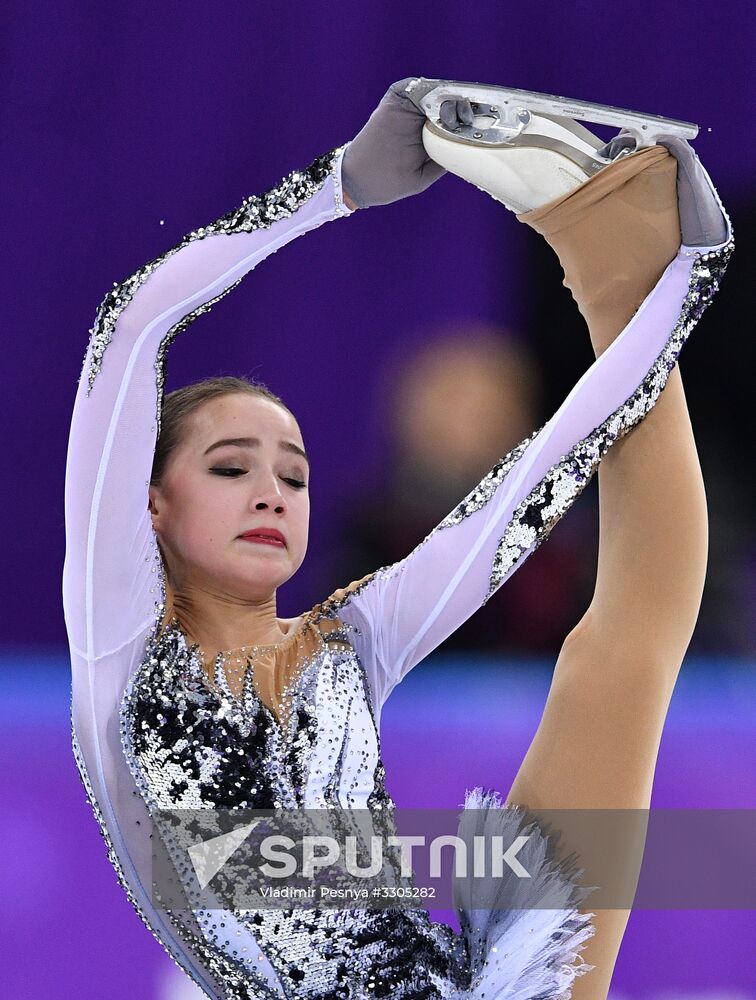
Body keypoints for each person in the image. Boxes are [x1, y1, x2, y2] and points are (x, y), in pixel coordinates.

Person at [62, 77, 733, 999]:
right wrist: (335, 186)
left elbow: (527, 493)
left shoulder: (346, 643)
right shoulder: (119, 632)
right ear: (151, 507)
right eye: (230, 467)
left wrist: (653, 294)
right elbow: (131, 329)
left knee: (623, 649)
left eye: (294, 473)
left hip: (450, 981)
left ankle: (607, 248)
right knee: (629, 643)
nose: (272, 492)